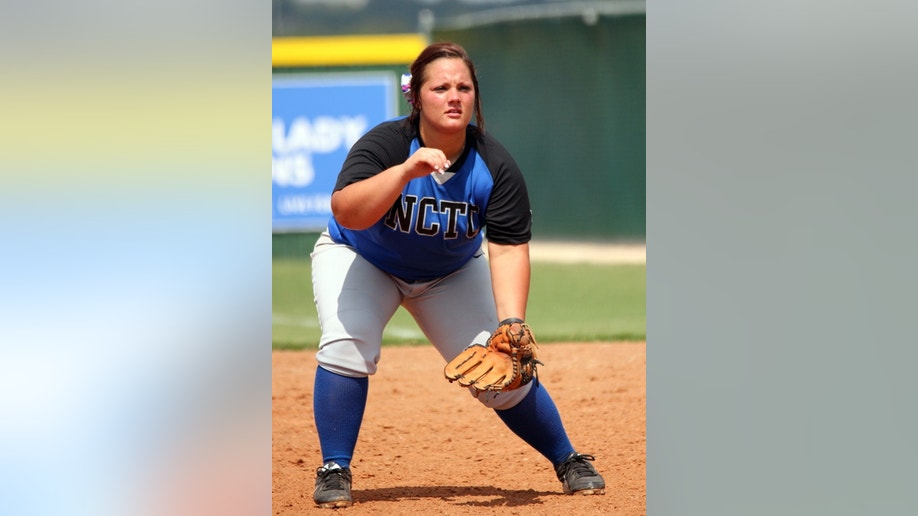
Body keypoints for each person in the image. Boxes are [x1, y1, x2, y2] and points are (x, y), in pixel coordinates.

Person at [308, 41, 605, 509]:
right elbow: (347, 210)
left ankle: (568, 459)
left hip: (446, 274)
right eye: (440, 86)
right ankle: (334, 467)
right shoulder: (386, 144)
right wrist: (405, 171)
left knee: (502, 372)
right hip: (362, 257)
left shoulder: (495, 164)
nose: (454, 96)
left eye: (463, 87)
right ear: (417, 98)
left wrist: (511, 321)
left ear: (475, 97)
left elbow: (507, 248)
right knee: (348, 343)